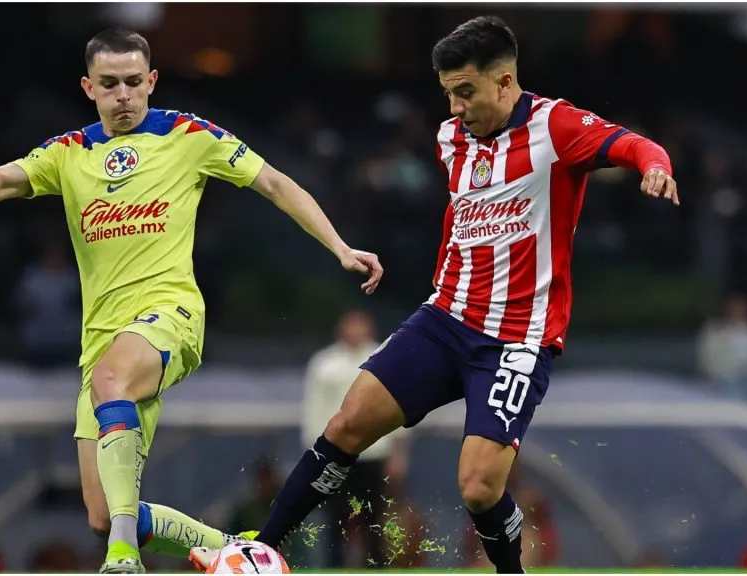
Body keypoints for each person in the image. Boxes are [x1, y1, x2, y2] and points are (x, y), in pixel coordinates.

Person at [192, 15, 679, 574]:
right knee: (348, 422)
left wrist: (656, 169)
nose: (454, 108)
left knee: (477, 486)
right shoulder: (451, 137)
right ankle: (261, 548)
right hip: (446, 317)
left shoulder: (556, 126)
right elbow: (464, 217)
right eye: (448, 93)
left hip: (516, 337)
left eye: (465, 92)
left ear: (505, 81)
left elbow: (633, 144)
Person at [0, 28, 383, 574]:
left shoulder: (188, 134)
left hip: (171, 316)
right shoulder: (68, 153)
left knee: (113, 415)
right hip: (101, 343)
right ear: (88, 87)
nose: (124, 95)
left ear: (151, 80)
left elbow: (275, 183)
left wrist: (341, 247)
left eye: (134, 82)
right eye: (109, 84)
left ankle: (122, 560)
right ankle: (238, 551)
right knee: (102, 511)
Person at [302, 310, 409, 567]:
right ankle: (335, 568)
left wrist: (398, 452)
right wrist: (314, 454)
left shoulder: (383, 356)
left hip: (373, 453)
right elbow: (313, 409)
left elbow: (398, 406)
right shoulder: (324, 363)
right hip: (335, 454)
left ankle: (376, 567)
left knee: (374, 518)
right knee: (335, 519)